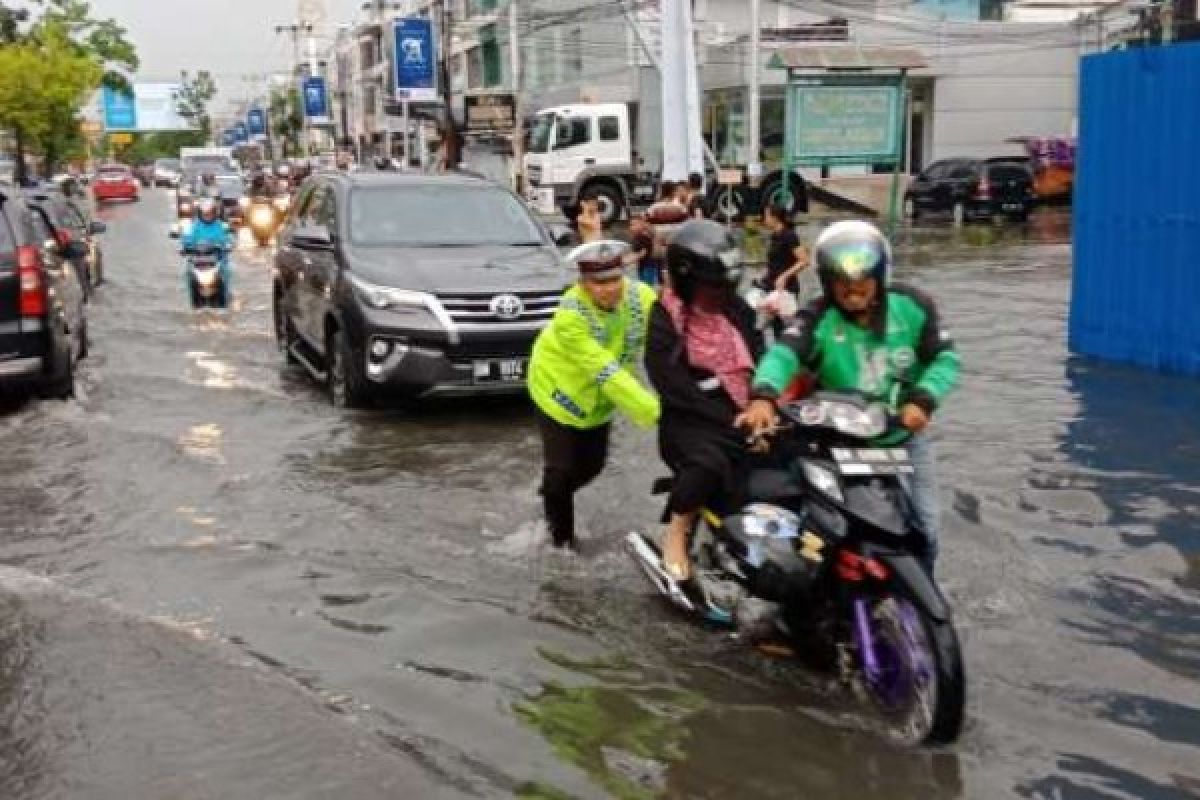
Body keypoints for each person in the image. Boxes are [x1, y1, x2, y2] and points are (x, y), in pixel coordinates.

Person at [735, 220, 961, 570]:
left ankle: (922, 597)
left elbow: (945, 359)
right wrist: (763, 395)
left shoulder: (913, 306)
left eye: (861, 282)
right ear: (828, 282)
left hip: (903, 437)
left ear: (879, 277)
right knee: (830, 533)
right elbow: (783, 355)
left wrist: (923, 398)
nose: (852, 291)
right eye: (842, 284)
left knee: (926, 529)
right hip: (839, 443)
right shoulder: (817, 316)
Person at [645, 220, 763, 580]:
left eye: (721, 289)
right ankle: (677, 530)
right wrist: (730, 422)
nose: (716, 298)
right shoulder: (666, 316)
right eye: (708, 289)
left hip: (745, 414)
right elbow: (672, 384)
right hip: (691, 423)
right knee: (709, 463)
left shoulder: (738, 311)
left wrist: (763, 409)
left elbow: (762, 358)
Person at [527, 240, 661, 549]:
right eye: (599, 283)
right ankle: (561, 544)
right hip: (556, 389)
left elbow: (671, 335)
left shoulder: (642, 297)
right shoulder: (570, 317)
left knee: (593, 466)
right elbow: (607, 372)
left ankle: (550, 495)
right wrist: (661, 414)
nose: (610, 289)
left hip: (598, 401)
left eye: (615, 279)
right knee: (561, 471)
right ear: (583, 283)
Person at [182, 198, 234, 303]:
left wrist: (227, 245)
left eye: (210, 213)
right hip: (197, 262)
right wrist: (186, 247)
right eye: (205, 214)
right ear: (200, 213)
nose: (207, 216)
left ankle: (225, 297)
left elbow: (229, 238)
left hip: (218, 261)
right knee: (188, 274)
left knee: (226, 272)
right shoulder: (193, 227)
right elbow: (186, 238)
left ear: (215, 213)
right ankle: (192, 300)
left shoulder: (222, 226)